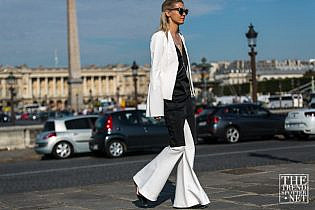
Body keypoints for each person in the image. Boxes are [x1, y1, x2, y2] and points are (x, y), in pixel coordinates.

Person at [133, 0, 210, 208]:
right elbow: (156, 72)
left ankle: (187, 197)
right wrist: (157, 106)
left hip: (186, 98)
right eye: (180, 10)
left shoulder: (181, 38)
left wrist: (191, 93)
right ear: (168, 13)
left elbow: (183, 70)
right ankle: (145, 184)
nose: (184, 13)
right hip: (171, 100)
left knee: (190, 147)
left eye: (185, 10)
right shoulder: (159, 38)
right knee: (177, 147)